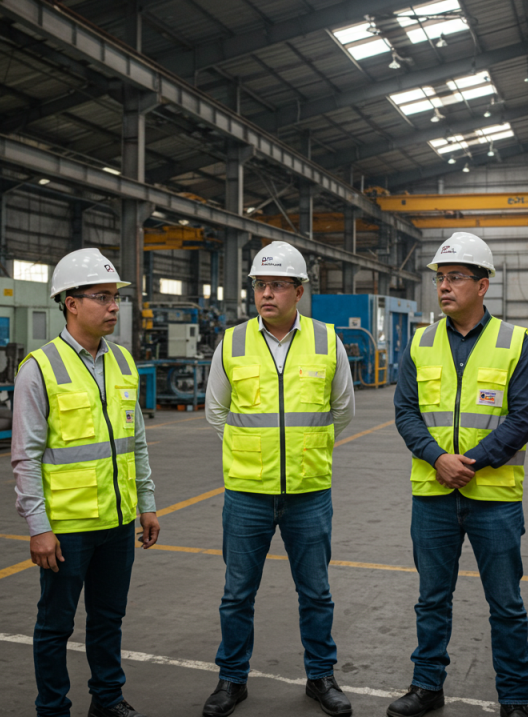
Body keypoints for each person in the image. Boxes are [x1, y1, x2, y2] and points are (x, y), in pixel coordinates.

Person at [202, 241, 356, 717]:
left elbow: (343, 411)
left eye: (276, 285)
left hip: (309, 492)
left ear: (299, 290)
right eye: (259, 285)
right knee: (236, 595)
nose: (266, 294)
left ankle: (321, 677)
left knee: (315, 592)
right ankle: (232, 680)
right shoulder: (232, 342)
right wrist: (257, 453)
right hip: (247, 493)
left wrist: (303, 450)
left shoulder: (328, 341)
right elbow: (216, 411)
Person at [390, 233, 528, 717]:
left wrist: (469, 462)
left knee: (506, 605)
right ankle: (427, 685)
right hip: (433, 494)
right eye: (440, 278)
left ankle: (514, 698)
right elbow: (406, 411)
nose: (444, 286)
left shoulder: (514, 342)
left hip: (494, 496)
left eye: (455, 277)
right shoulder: (420, 341)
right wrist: (438, 458)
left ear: (483, 284)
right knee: (432, 599)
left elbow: (523, 419)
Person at [11, 248, 159, 717]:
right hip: (68, 526)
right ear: (71, 303)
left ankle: (107, 699)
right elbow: (25, 456)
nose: (114, 306)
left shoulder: (124, 363)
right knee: (55, 625)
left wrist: (147, 503)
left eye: (116, 297)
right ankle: (53, 708)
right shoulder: (39, 368)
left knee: (108, 620)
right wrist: (38, 526)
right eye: (102, 297)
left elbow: (136, 443)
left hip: (117, 522)